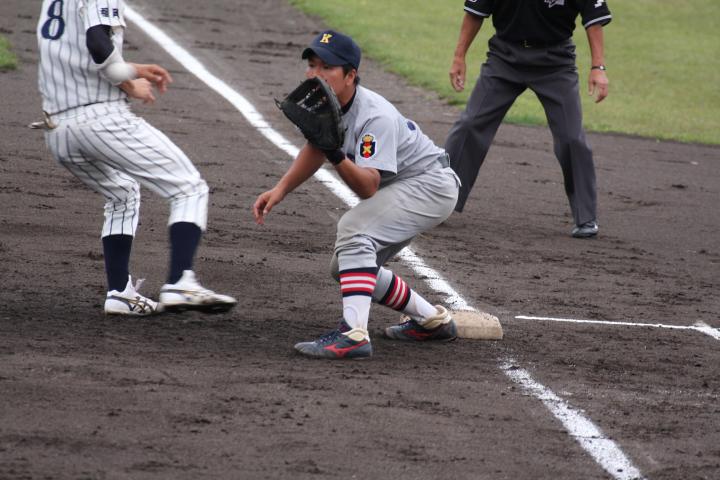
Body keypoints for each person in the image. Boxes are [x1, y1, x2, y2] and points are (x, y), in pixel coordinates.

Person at [253, 30, 461, 359]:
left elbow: (367, 187)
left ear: (351, 75)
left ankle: (353, 335)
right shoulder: (326, 103)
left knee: (353, 230)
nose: (315, 74)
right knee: (347, 267)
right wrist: (280, 190)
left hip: (429, 185)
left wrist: (336, 153)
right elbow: (316, 148)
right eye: (312, 65)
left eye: (327, 67)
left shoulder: (374, 116)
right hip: (408, 186)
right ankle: (432, 321)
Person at [35, 0, 237, 315]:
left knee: (123, 192)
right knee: (188, 188)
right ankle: (180, 282)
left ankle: (120, 293)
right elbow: (98, 45)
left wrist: (131, 76)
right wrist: (131, 77)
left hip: (58, 128)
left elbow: (79, 52)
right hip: (99, 119)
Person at [445, 0, 612, 238]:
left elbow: (593, 19)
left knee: (571, 138)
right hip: (504, 58)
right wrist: (459, 56)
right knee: (469, 125)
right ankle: (440, 199)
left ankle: (586, 217)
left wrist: (598, 67)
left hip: (556, 62)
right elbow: (475, 13)